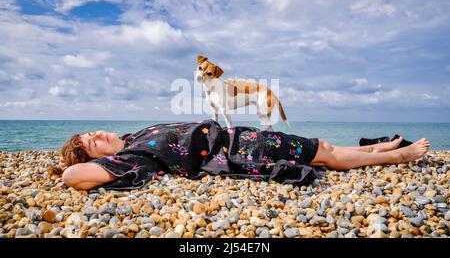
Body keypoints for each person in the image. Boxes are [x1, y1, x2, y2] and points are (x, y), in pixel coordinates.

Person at [52, 120, 430, 190]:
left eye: (92, 131)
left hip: (240, 137)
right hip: (240, 152)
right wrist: (78, 163)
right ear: (97, 158)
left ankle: (374, 148)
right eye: (92, 140)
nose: (98, 133)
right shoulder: (132, 159)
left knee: (319, 146)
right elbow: (74, 178)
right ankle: (396, 158)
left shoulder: (136, 137)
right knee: (323, 152)